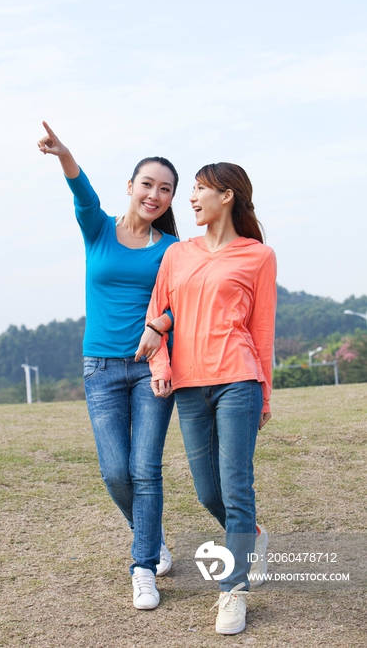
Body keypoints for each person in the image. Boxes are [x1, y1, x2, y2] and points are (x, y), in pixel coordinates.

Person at [37, 121, 179, 610]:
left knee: (145, 469)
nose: (154, 194)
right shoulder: (98, 230)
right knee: (115, 471)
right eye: (147, 184)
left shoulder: (172, 249)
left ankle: (143, 568)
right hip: (99, 368)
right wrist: (65, 155)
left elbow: (185, 304)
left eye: (165, 189)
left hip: (151, 367)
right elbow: (82, 194)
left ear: (171, 198)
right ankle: (153, 535)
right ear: (131, 187)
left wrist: (159, 324)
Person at [135, 162, 276, 634]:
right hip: (190, 385)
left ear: (228, 196)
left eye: (199, 190)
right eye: (190, 191)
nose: (191, 199)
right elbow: (160, 312)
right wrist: (160, 366)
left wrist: (265, 395)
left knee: (237, 488)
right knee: (207, 491)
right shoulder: (178, 254)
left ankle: (232, 593)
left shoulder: (258, 255)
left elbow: (262, 332)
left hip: (239, 379)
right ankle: (251, 537)